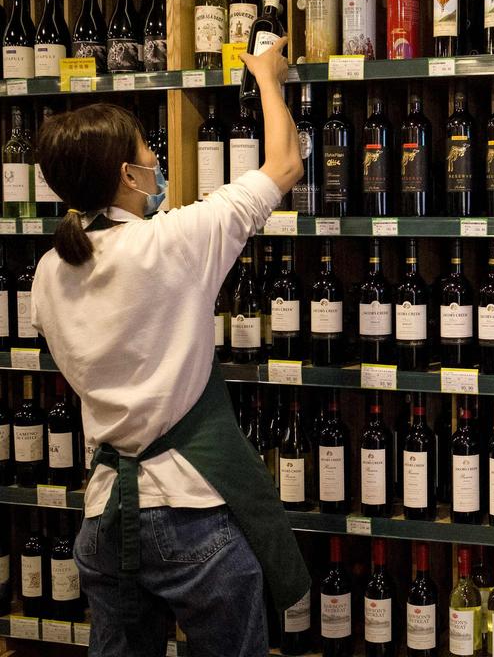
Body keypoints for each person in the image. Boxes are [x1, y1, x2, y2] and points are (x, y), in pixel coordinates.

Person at [31, 36, 308, 657]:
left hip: (103, 517)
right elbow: (285, 164)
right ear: (129, 175)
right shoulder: (174, 240)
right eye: (146, 152)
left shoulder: (49, 270)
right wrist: (267, 75)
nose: (156, 158)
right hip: (189, 514)